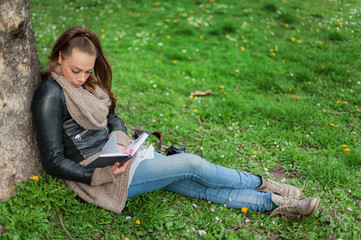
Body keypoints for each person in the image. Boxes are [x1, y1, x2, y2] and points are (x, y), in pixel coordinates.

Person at [32, 26, 320, 217]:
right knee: (191, 165)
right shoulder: (50, 93)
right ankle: (265, 184)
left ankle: (278, 205)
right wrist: (101, 174)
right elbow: (53, 161)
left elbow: (112, 118)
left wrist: (119, 140)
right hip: (101, 177)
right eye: (75, 70)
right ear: (59, 57)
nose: (82, 78)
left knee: (191, 183)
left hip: (120, 156)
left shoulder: (87, 85)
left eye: (87, 71)